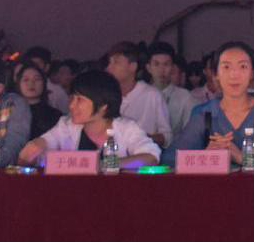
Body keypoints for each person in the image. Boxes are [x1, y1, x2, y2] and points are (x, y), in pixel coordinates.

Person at [165, 42, 254, 168]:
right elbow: (168, 158)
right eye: (226, 67)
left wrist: (245, 159)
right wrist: (204, 156)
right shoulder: (204, 114)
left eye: (243, 66)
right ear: (216, 74)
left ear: (252, 74)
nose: (234, 74)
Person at [18, 70, 160, 168]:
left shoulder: (127, 128)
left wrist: (103, 165)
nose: (71, 105)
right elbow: (45, 143)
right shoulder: (67, 125)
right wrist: (35, 147)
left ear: (103, 105)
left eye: (80, 100)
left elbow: (150, 157)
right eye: (72, 98)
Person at [105, 41, 171, 147]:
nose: (109, 68)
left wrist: (142, 138)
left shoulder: (152, 95)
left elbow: (167, 136)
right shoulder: (105, 95)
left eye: (116, 62)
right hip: (111, 154)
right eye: (109, 63)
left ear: (133, 67)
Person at [146, 42, 200, 139]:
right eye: (156, 64)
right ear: (148, 68)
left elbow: (192, 133)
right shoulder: (141, 95)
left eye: (166, 64)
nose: (161, 70)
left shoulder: (185, 97)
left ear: (172, 67)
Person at [14, 62, 62, 140]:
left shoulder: (55, 116)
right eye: (26, 80)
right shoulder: (11, 112)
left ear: (44, 83)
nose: (31, 83)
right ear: (18, 84)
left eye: (36, 79)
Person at [24, 46, 69, 115]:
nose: (33, 67)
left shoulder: (57, 92)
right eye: (30, 64)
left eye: (37, 64)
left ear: (47, 67)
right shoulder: (22, 87)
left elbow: (66, 115)